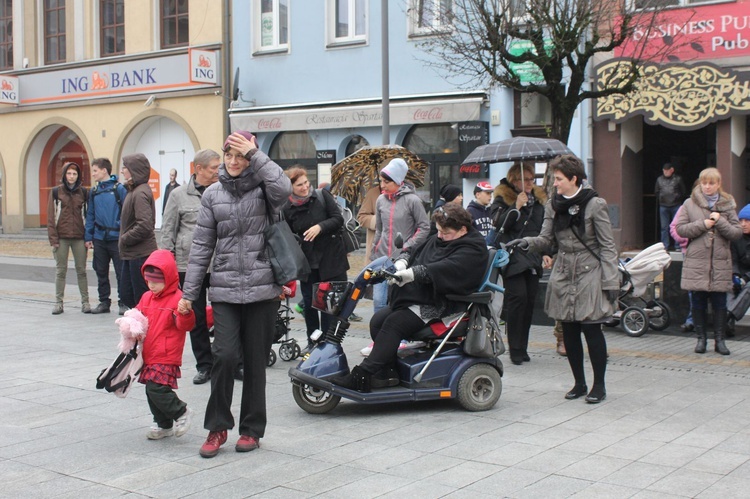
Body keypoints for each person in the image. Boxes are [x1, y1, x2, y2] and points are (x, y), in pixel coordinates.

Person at [179, 131, 291, 458]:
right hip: (225, 288)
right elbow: (201, 246)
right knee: (224, 355)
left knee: (256, 362)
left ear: (251, 156)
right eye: (229, 155)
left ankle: (252, 429)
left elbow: (284, 187)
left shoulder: (265, 189)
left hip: (262, 287)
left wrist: (256, 154)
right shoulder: (213, 194)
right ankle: (217, 427)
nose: (232, 161)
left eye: (240, 155)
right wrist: (190, 292)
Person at [331, 203, 488, 392]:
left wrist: (413, 274)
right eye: (438, 230)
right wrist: (403, 259)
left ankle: (362, 375)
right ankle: (388, 372)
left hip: (445, 302)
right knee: (378, 321)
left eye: (445, 232)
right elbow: (417, 248)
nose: (439, 235)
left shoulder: (474, 248)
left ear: (462, 229)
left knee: (394, 323)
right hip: (423, 296)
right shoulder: (442, 238)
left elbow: (448, 268)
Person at [509, 154, 618, 404]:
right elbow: (547, 240)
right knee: (569, 330)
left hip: (590, 272)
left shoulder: (595, 204)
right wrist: (527, 242)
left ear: (573, 178)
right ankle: (579, 383)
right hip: (563, 271)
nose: (554, 184)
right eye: (553, 179)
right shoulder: (553, 205)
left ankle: (598, 385)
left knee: (591, 329)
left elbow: (608, 246)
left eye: (558, 179)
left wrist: (611, 282)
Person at [160, 149, 221, 385]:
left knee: (225, 314)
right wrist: (167, 265)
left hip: (219, 264)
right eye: (213, 167)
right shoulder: (177, 195)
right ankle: (204, 365)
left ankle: (230, 363)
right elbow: (168, 231)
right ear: (198, 169)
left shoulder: (222, 190)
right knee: (194, 317)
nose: (218, 171)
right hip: (188, 265)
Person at [675, 167, 741, 356]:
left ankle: (719, 341)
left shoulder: (728, 205)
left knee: (720, 303)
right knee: (698, 302)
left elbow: (736, 233)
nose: (707, 186)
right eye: (704, 183)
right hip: (697, 263)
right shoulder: (689, 203)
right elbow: (680, 229)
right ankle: (701, 339)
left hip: (720, 264)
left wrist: (720, 221)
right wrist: (702, 225)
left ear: (718, 184)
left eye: (711, 183)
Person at [283, 167, 349, 355]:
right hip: (307, 263)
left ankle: (328, 345)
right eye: (299, 185)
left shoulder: (322, 196)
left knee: (329, 306)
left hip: (330, 260)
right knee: (310, 304)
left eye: (306, 183)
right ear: (291, 188)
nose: (305, 188)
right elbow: (287, 236)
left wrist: (320, 227)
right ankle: (313, 342)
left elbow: (338, 219)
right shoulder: (287, 208)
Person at [490, 162, 548, 365]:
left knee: (530, 302)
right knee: (517, 301)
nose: (531, 183)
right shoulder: (502, 199)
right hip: (513, 256)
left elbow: (543, 229)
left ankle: (523, 347)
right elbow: (498, 225)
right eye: (527, 179)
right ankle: (514, 348)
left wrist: (547, 252)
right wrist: (516, 207)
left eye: (533, 179)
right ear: (515, 181)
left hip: (533, 256)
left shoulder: (539, 202)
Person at [135, 249, 196, 440]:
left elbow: (184, 325)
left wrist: (185, 313)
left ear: (168, 278)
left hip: (166, 353)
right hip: (149, 353)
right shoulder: (146, 297)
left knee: (156, 388)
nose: (151, 285)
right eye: (149, 281)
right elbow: (137, 315)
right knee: (150, 389)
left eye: (156, 282)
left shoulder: (178, 298)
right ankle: (163, 424)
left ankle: (181, 412)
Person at [370, 158, 429, 313]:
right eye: (381, 181)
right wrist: (374, 251)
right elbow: (379, 229)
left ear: (397, 181)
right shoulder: (380, 200)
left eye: (386, 182)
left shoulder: (413, 200)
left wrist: (407, 246)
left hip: (403, 259)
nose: (382, 185)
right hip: (382, 259)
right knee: (378, 300)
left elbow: (424, 227)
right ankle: (379, 335)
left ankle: (398, 336)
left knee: (397, 301)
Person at [85, 158, 128, 315]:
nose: (93, 173)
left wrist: (124, 234)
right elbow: (90, 214)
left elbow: (126, 212)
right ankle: (104, 301)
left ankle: (123, 302)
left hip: (116, 237)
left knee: (120, 271)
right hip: (99, 237)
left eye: (95, 170)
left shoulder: (119, 189)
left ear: (104, 170)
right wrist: (88, 236)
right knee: (100, 270)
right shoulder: (94, 191)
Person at [47, 161, 90, 315]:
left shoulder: (84, 193)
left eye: (75, 174)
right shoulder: (56, 192)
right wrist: (53, 239)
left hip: (79, 237)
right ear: (64, 174)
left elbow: (87, 216)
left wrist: (88, 237)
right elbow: (51, 218)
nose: (72, 176)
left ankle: (85, 302)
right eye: (69, 173)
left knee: (81, 271)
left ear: (78, 176)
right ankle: (58, 303)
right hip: (61, 238)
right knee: (61, 271)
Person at [119, 153, 158, 310]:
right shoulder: (134, 190)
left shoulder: (140, 192)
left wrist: (125, 239)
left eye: (125, 168)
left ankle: (145, 331)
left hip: (140, 255)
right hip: (132, 254)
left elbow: (144, 225)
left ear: (133, 170)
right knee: (128, 295)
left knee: (140, 298)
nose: (122, 171)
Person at [670, 205, 693, 332]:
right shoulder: (686, 206)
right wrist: (685, 239)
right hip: (690, 252)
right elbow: (674, 227)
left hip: (713, 254)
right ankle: (692, 320)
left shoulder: (720, 205)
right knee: (693, 288)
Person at [729, 203, 750, 336]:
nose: (743, 224)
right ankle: (727, 324)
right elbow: (733, 260)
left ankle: (728, 315)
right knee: (729, 287)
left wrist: (746, 278)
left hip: (748, 277)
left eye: (747, 221)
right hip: (740, 273)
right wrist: (736, 276)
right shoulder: (736, 238)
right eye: (741, 220)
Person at [655, 162, 686, 251]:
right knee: (664, 227)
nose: (665, 172)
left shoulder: (678, 179)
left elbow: (683, 191)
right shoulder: (659, 179)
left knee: (677, 226)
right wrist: (661, 198)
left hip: (676, 205)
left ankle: (677, 245)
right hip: (663, 206)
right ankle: (665, 245)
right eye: (664, 170)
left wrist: (677, 197)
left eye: (667, 170)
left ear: (672, 170)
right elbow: (656, 191)